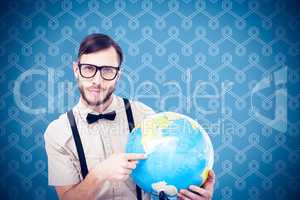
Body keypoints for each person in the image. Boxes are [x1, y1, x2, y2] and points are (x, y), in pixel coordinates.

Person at [44, 33, 215, 200]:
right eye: (89, 68)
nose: (97, 80)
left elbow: (165, 182)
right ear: (76, 70)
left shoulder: (146, 117)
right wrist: (100, 174)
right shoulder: (58, 132)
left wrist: (191, 195)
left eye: (107, 70)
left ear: (118, 74)